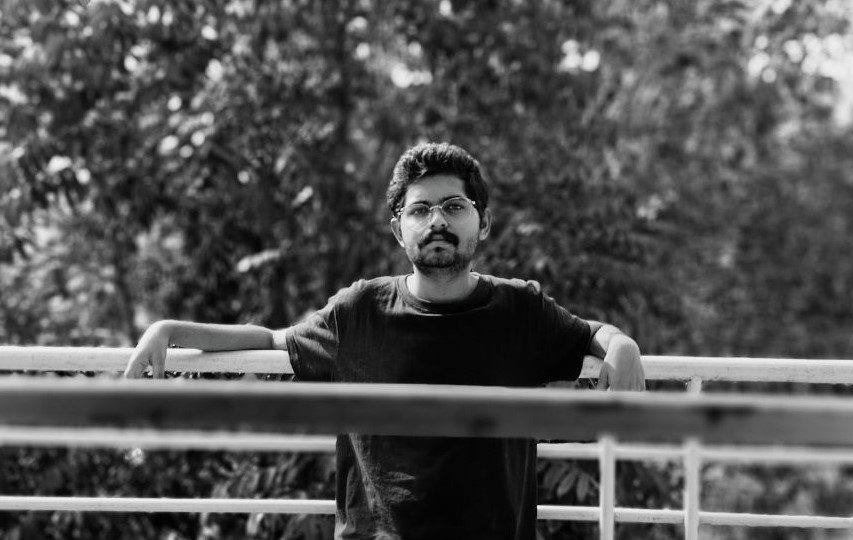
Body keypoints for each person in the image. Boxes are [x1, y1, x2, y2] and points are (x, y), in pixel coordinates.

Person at [125, 142, 646, 539]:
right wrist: (168, 330)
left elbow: (591, 334)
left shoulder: (520, 309)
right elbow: (269, 340)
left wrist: (622, 345)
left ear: (483, 222)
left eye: (454, 206)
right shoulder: (359, 311)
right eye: (420, 210)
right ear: (399, 230)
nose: (437, 221)